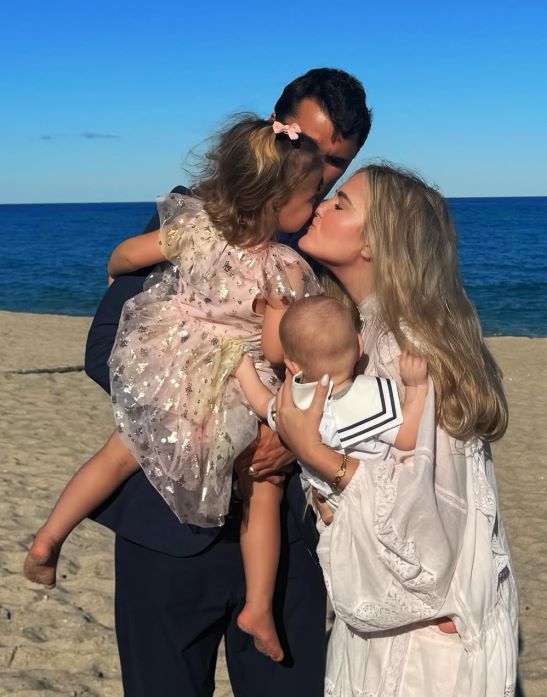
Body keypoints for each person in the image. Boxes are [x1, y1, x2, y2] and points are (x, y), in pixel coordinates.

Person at [81, 68, 372, 697]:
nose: (322, 175)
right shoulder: (203, 215)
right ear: (276, 129)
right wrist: (230, 421)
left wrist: (293, 436)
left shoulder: (331, 242)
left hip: (285, 536)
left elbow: (358, 376)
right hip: (167, 526)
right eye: (311, 150)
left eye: (337, 164)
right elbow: (105, 350)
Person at [25, 114, 324, 663]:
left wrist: (114, 274)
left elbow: (125, 255)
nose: (313, 208)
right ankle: (259, 606)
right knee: (263, 486)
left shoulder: (195, 229)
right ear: (277, 202)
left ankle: (49, 537)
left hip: (173, 368)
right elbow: (282, 350)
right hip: (236, 383)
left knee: (119, 454)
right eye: (310, 198)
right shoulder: (285, 267)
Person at [273, 164, 519, 696]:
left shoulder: (402, 347)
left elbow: (427, 512)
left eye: (340, 204)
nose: (320, 205)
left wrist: (315, 454)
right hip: (404, 629)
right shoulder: (363, 330)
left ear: (374, 243)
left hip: (422, 644)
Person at [234, 295, 429, 512]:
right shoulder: (367, 397)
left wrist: (243, 370)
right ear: (360, 345)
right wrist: (416, 386)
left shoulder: (294, 404)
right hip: (365, 502)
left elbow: (262, 404)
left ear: (292, 366)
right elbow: (408, 437)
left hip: (327, 498)